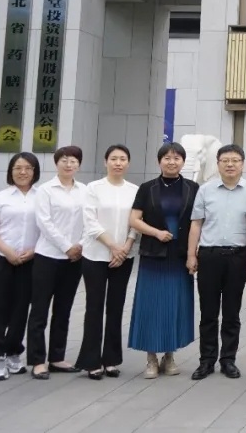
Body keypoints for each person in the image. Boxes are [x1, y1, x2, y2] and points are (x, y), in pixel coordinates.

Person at [128, 142, 200, 379]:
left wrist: (192, 254)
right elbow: (134, 219)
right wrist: (156, 233)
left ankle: (169, 356)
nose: (172, 162)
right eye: (167, 158)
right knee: (150, 306)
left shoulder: (192, 188)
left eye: (177, 158)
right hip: (153, 255)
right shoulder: (147, 188)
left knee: (175, 306)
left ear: (183, 161)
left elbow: (198, 221)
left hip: (179, 256)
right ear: (159, 161)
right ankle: (150, 358)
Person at [187, 143, 246, 380]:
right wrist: (191, 254)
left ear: (242, 164)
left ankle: (228, 360)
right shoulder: (205, 190)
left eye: (235, 160)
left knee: (231, 312)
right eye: (225, 160)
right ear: (217, 164)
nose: (230, 164)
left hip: (238, 256)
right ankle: (206, 360)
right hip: (209, 256)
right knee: (208, 311)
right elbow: (196, 223)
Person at [76, 145, 139, 379]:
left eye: (123, 159)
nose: (118, 163)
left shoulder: (134, 190)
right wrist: (113, 246)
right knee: (94, 307)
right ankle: (91, 360)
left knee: (116, 307)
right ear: (105, 162)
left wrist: (126, 246)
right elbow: (91, 223)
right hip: (95, 255)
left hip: (124, 256)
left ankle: (111, 359)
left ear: (128, 163)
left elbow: (136, 222)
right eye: (113, 158)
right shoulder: (93, 188)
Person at [28, 145, 87, 379]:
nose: (68, 164)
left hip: (74, 259)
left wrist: (79, 245)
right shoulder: (45, 190)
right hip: (48, 257)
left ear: (78, 165)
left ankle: (57, 357)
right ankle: (37, 360)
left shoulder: (84, 191)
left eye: (73, 161)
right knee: (39, 310)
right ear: (56, 163)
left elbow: (90, 220)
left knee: (63, 310)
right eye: (64, 160)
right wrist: (66, 246)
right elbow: (44, 222)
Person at [0, 152, 40, 381]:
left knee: (20, 309)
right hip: (0, 259)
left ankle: (14, 352)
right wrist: (7, 251)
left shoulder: (41, 197)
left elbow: (46, 228)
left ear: (34, 171)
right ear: (11, 171)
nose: (22, 172)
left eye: (28, 168)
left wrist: (32, 251)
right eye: (18, 168)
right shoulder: (0, 197)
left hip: (29, 260)